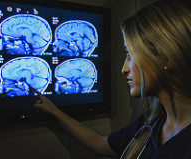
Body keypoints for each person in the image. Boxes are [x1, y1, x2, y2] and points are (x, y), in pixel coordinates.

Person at [34, 0, 191, 158]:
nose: (124, 69)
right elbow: (101, 144)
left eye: (130, 54)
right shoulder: (153, 121)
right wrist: (54, 111)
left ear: (165, 57)